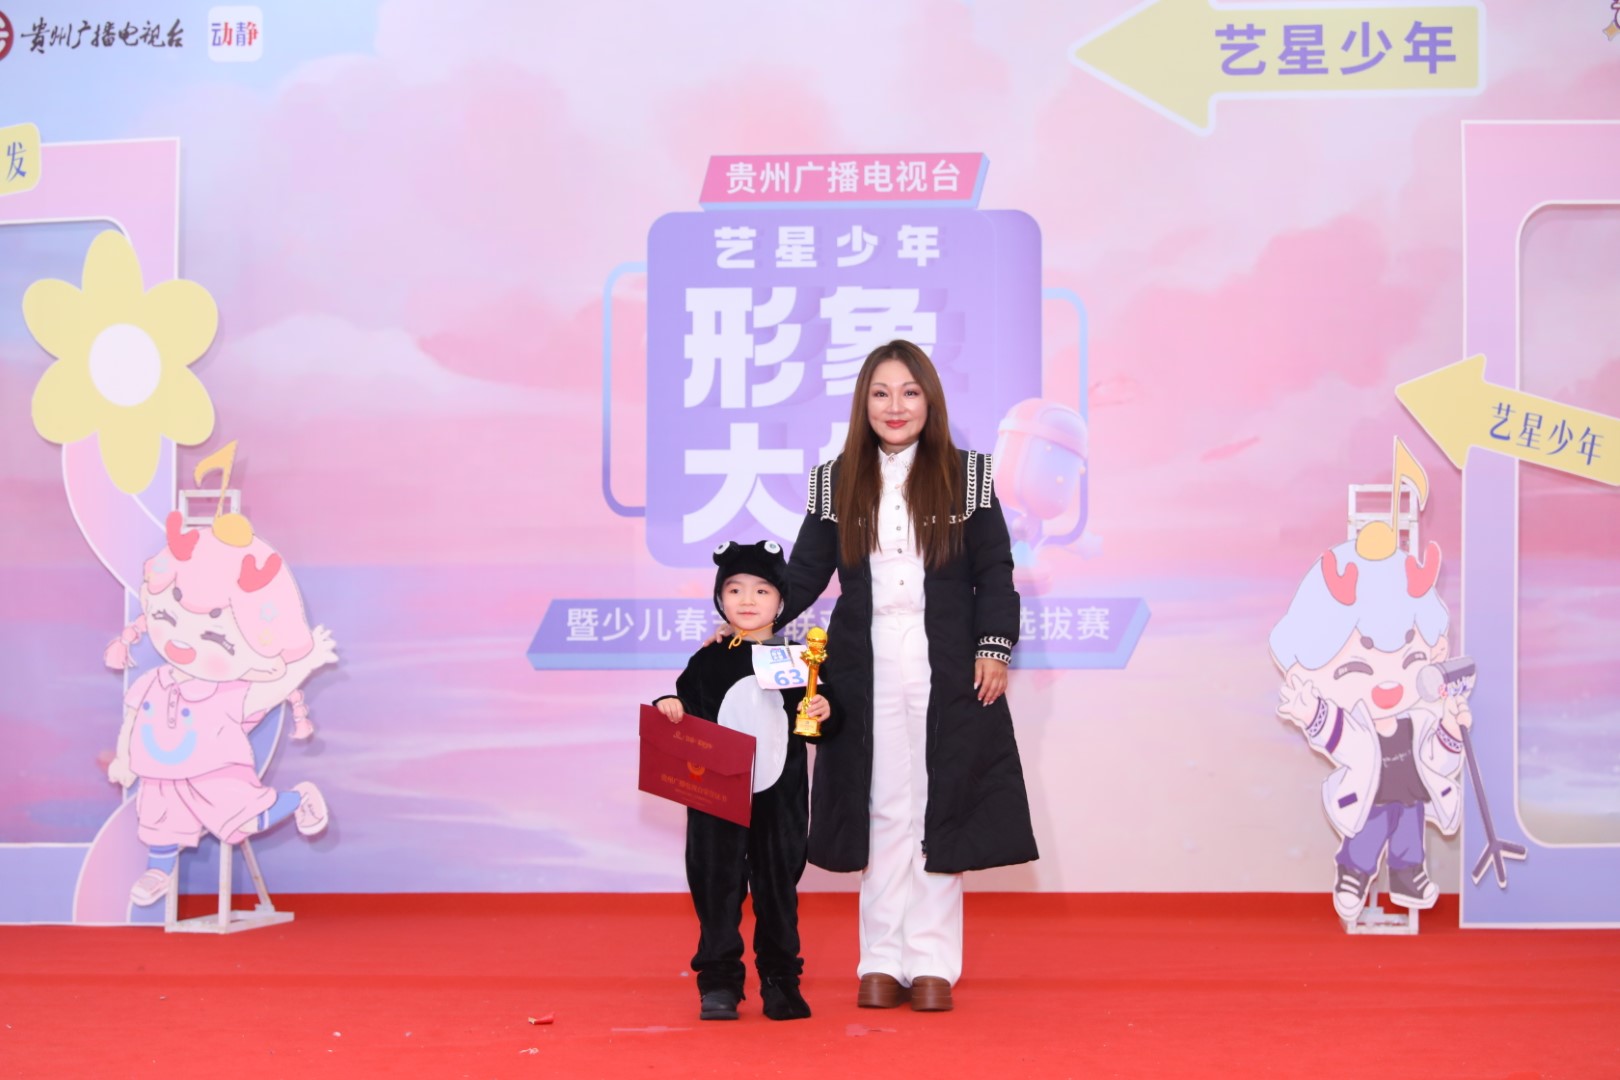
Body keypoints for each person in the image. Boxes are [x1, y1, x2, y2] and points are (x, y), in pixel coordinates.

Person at [775, 339, 1038, 1013]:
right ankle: (880, 960)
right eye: (881, 393)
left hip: (945, 658)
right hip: (863, 662)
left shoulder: (968, 475)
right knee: (882, 805)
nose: (896, 407)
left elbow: (995, 571)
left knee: (938, 802)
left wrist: (993, 646)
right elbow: (804, 574)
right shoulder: (836, 480)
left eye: (910, 392)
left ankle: (931, 963)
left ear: (930, 400)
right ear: (863, 403)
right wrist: (748, 616)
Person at [103, 510, 338, 907]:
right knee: (160, 823)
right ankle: (158, 869)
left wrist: (306, 663)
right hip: (159, 775)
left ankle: (298, 799)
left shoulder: (228, 694)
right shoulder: (152, 682)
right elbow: (131, 721)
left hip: (216, 775)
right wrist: (125, 759)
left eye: (216, 638)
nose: (182, 643)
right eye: (166, 616)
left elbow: (271, 692)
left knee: (245, 818)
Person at [653, 540, 831, 1022]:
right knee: (716, 886)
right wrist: (671, 705)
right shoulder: (708, 659)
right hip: (716, 795)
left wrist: (824, 709)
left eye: (761, 590)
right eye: (734, 589)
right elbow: (688, 711)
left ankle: (780, 981)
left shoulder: (801, 660)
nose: (747, 600)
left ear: (782, 600)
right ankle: (719, 982)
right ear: (719, 599)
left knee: (778, 890)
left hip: (780, 799)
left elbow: (818, 726)